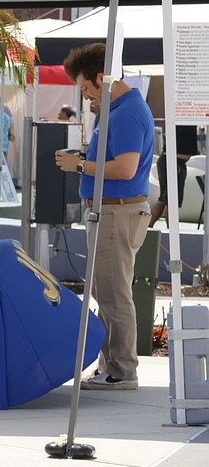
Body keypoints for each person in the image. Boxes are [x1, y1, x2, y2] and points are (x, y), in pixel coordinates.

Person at [54, 43, 153, 391]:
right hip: (113, 211)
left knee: (113, 293)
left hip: (117, 211)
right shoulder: (122, 108)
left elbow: (125, 169)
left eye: (85, 87)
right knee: (106, 290)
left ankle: (122, 369)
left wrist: (79, 164)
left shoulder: (125, 112)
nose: (84, 95)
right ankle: (113, 365)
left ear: (101, 78)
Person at [149, 124, 199, 227]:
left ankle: (157, 228)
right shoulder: (182, 121)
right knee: (170, 200)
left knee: (165, 199)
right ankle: (169, 229)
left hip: (174, 161)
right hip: (173, 162)